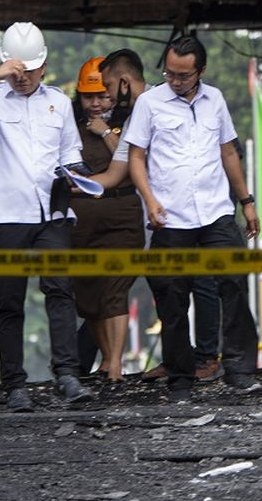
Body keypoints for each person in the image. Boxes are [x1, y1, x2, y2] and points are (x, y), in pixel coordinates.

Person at [0, 21, 89, 412]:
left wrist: (77, 178)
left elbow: (70, 155)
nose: (24, 77)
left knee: (61, 290)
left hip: (52, 212)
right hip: (7, 215)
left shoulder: (59, 103)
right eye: (18, 69)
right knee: (8, 299)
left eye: (31, 69)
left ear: (43, 66)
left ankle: (68, 375)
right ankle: (14, 383)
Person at [124, 35, 261, 401]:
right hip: (170, 217)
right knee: (171, 296)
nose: (176, 80)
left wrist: (246, 201)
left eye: (184, 75)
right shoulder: (150, 103)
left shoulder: (214, 99)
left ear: (200, 71)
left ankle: (239, 369)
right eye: (170, 73)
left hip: (216, 212)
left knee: (233, 284)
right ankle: (181, 375)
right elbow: (136, 157)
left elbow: (228, 151)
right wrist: (149, 200)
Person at [92, 50, 224, 383]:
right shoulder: (140, 111)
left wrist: (106, 134)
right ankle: (177, 357)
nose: (105, 95)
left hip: (196, 211)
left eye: (108, 85)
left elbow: (221, 150)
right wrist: (77, 184)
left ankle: (208, 357)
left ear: (124, 81)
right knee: (166, 288)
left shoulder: (164, 102)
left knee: (203, 283)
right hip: (156, 219)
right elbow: (120, 168)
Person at [69, 57, 141, 383]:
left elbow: (133, 163)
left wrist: (107, 132)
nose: (96, 103)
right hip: (81, 219)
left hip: (121, 214)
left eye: (102, 95)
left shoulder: (132, 119)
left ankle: (115, 366)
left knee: (115, 290)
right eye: (88, 97)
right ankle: (108, 361)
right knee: (89, 294)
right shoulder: (69, 126)